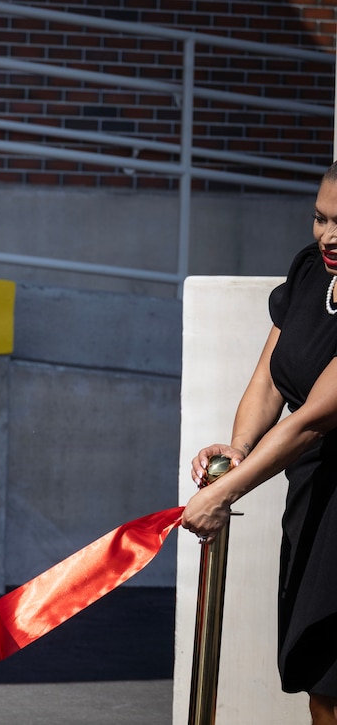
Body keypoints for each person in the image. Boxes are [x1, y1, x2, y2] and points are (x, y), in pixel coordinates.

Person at [183, 162, 337, 725]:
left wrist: (226, 494)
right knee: (316, 668)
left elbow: (313, 419)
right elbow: (272, 377)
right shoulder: (309, 271)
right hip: (314, 490)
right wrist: (237, 450)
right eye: (320, 218)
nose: (328, 236)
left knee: (334, 679)